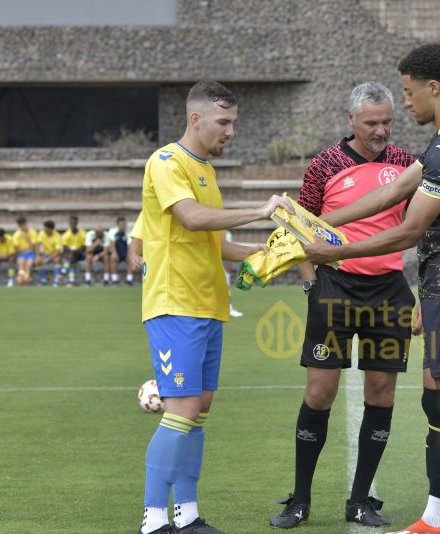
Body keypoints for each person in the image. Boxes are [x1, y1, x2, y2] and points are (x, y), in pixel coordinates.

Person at [304, 44, 440, 534]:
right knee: (434, 402)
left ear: (433, 88)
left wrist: (333, 251)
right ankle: (435, 515)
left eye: (409, 94)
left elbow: (409, 230)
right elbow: (388, 192)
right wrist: (316, 223)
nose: (405, 106)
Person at [135, 80, 293, 534]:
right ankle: (154, 520)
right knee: (181, 410)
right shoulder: (166, 161)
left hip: (208, 305)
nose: (231, 131)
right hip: (175, 303)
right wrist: (261, 211)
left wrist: (271, 252)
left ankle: (186, 516)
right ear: (196, 118)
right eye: (224, 122)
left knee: (199, 409)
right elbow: (191, 218)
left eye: (234, 123)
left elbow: (215, 242)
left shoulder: (207, 171)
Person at [270, 82, 416, 530]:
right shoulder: (324, 165)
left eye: (387, 121)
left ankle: (360, 501)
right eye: (371, 122)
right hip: (335, 288)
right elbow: (301, 228)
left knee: (382, 393)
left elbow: (419, 227)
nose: (381, 130)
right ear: (350, 120)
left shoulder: (408, 165)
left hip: (389, 292)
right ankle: (300, 500)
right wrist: (312, 287)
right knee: (319, 394)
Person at [106, 216, 137, 286]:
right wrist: (114, 253)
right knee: (113, 258)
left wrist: (129, 255)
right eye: (122, 224)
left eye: (124, 224)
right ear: (118, 225)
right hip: (117, 251)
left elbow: (130, 245)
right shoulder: (112, 231)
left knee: (131, 258)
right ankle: (114, 279)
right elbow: (112, 244)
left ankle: (129, 279)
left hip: (125, 251)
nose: (124, 226)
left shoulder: (129, 232)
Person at [221, 230, 242, 316]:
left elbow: (229, 253)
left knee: (226, 288)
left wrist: (227, 269)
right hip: (213, 267)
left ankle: (229, 308)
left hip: (224, 267)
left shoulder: (227, 234)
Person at [61, 215, 86, 287]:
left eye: (74, 223)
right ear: (69, 224)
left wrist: (75, 251)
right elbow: (65, 248)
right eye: (71, 223)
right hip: (71, 255)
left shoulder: (82, 233)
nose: (73, 225)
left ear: (77, 223)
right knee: (72, 258)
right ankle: (71, 280)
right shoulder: (66, 235)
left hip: (80, 254)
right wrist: (71, 252)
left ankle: (64, 271)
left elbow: (83, 247)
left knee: (72, 255)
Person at [36, 220, 63, 287]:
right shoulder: (42, 233)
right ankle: (43, 279)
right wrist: (39, 255)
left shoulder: (57, 236)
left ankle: (56, 280)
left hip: (53, 255)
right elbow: (38, 245)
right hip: (44, 254)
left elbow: (58, 251)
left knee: (57, 260)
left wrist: (48, 259)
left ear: (50, 229)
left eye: (45, 228)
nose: (44, 229)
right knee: (37, 261)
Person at [12, 216, 38, 285]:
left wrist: (27, 238)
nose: (23, 227)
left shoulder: (32, 232)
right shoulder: (16, 235)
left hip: (31, 253)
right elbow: (17, 248)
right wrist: (26, 249)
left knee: (28, 265)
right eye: (21, 225)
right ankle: (20, 279)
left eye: (24, 224)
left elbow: (33, 246)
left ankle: (26, 279)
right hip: (22, 254)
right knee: (21, 264)